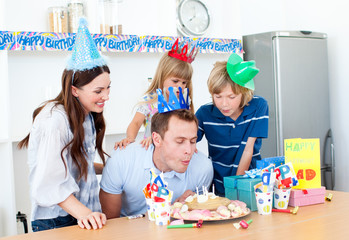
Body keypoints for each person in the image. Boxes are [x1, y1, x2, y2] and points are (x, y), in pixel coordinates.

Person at [17, 18, 110, 232]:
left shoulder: (87, 114)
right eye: (98, 91)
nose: (106, 96)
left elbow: (74, 165)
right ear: (75, 90)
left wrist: (106, 168)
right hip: (58, 220)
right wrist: (84, 214)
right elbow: (50, 181)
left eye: (107, 88)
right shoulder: (55, 120)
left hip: (81, 213)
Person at [99, 89, 213, 218]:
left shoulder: (203, 167)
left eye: (193, 141)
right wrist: (166, 212)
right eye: (180, 141)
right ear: (157, 139)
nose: (189, 150)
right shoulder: (121, 160)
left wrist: (184, 210)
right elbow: (111, 225)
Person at [195, 53, 269, 196]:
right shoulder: (205, 114)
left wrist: (236, 191)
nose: (224, 104)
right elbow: (186, 140)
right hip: (217, 188)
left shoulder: (259, 106)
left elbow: (248, 149)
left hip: (248, 186)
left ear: (244, 92)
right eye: (218, 97)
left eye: (231, 97)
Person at [114, 39, 197, 150]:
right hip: (151, 149)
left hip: (176, 150)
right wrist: (130, 139)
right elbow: (136, 123)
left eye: (184, 82)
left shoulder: (185, 102)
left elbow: (189, 128)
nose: (180, 86)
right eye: (175, 81)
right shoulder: (151, 100)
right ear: (162, 77)